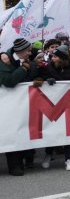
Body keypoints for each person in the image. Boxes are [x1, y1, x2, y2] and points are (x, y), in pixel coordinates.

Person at [1, 38, 41, 176]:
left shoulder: (29, 62)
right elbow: (9, 81)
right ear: (20, 51)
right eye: (28, 50)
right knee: (11, 133)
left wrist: (40, 80)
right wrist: (23, 69)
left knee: (24, 130)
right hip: (7, 105)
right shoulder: (4, 61)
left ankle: (22, 161)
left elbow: (36, 76)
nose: (31, 53)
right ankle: (14, 166)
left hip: (24, 103)